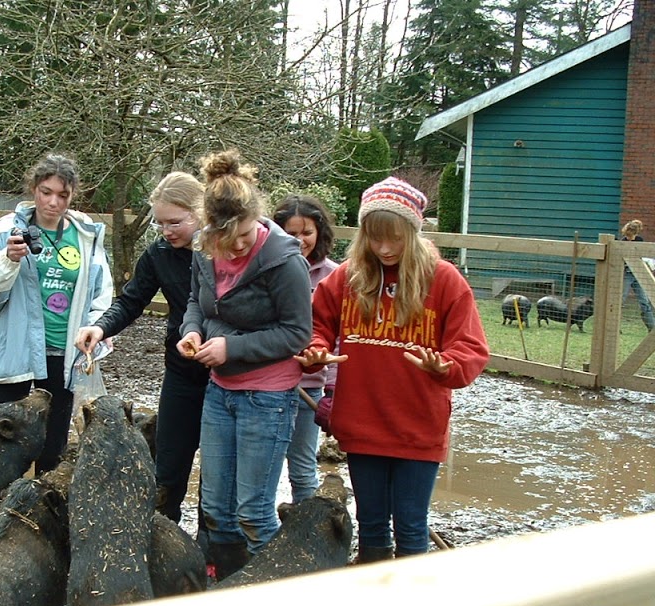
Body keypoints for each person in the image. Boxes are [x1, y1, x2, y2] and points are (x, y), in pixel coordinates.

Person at [296, 177, 489, 561]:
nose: (384, 249)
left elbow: (471, 348)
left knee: (411, 526)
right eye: (375, 238)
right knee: (370, 524)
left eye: (395, 238)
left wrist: (445, 366)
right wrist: (315, 349)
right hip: (362, 422)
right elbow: (316, 323)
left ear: (413, 234)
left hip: (418, 427)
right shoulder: (349, 276)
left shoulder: (445, 280)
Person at [177, 149, 312, 580]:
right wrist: (192, 333)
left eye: (245, 233)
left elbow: (296, 334)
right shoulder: (204, 252)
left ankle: (277, 591)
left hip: (268, 397)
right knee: (216, 508)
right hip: (221, 392)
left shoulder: (283, 260)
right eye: (228, 238)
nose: (238, 246)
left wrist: (230, 349)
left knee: (253, 510)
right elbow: (196, 306)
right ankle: (234, 588)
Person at [75, 172, 211, 545]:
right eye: (160, 222)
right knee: (169, 463)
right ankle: (162, 538)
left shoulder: (223, 251)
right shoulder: (159, 255)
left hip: (226, 375)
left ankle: (210, 546)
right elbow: (132, 300)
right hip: (182, 370)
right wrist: (100, 328)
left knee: (216, 470)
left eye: (175, 222)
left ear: (200, 213)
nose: (166, 230)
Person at [0, 153, 113, 473]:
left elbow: (102, 293)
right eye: (46, 192)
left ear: (73, 194)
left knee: (53, 448)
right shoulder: (5, 230)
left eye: (63, 195)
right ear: (33, 189)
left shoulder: (85, 235)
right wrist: (8, 261)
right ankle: (2, 515)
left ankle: (43, 514)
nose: (53, 202)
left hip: (65, 351)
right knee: (7, 443)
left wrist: (96, 330)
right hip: (16, 349)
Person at [272, 194, 339, 503]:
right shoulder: (269, 269)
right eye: (291, 233)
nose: (299, 240)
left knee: (301, 468)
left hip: (309, 387)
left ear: (319, 232)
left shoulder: (334, 277)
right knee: (266, 468)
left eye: (306, 233)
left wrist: (332, 390)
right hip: (269, 386)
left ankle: (307, 528)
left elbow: (337, 338)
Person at [621, 219, 654, 332]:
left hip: (639, 274)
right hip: (627, 274)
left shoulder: (640, 241)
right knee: (620, 300)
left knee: (644, 301)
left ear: (635, 234)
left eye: (630, 236)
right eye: (627, 236)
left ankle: (652, 327)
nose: (628, 238)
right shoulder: (622, 241)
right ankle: (615, 327)